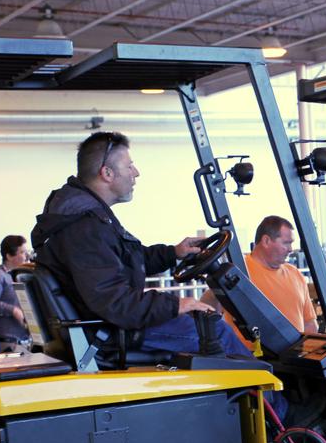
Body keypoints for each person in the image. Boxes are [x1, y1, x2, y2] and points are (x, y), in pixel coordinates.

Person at [31, 131, 247, 359]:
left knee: (207, 323)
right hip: (112, 332)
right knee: (217, 332)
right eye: (130, 166)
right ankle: (271, 394)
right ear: (107, 173)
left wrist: (173, 253)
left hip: (109, 324)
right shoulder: (85, 227)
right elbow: (115, 301)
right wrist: (176, 304)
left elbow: (122, 259)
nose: (136, 173)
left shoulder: (83, 218)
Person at [230, 215, 318, 342]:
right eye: (286, 243)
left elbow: (309, 323)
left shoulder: (295, 274)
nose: (291, 249)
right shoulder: (238, 271)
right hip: (250, 358)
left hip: (290, 357)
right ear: (266, 241)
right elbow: (210, 303)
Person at [0, 235, 31, 352]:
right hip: (9, 344)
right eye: (22, 252)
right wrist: (13, 310)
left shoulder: (19, 275)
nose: (26, 256)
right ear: (9, 256)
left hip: (24, 342)